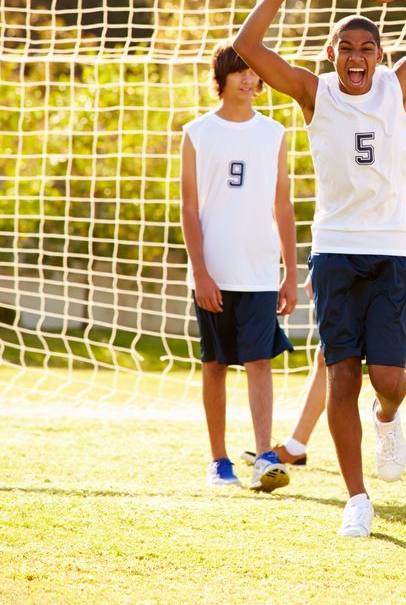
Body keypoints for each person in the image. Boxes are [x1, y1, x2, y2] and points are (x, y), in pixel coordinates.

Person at [233, 0, 406, 538]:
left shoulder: (401, 85)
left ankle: (389, 416)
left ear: (381, 56)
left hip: (391, 254)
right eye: (347, 48)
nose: (357, 57)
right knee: (341, 375)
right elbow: (248, 47)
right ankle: (357, 498)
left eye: (368, 48)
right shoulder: (315, 93)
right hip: (337, 252)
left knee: (389, 378)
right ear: (332, 55)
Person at [240, 135, 406, 475]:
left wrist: (404, 259)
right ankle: (296, 445)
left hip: (391, 271)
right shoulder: (352, 132)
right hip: (354, 267)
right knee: (331, 357)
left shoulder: (404, 139)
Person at [180, 43, 298, 493]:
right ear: (222, 78)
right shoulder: (198, 132)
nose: (250, 80)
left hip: (260, 270)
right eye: (240, 72)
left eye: (255, 73)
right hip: (213, 272)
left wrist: (289, 269)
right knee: (214, 364)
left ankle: (264, 456)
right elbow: (189, 208)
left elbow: (282, 205)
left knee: (260, 361)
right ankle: (219, 461)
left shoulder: (274, 132)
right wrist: (202, 272)